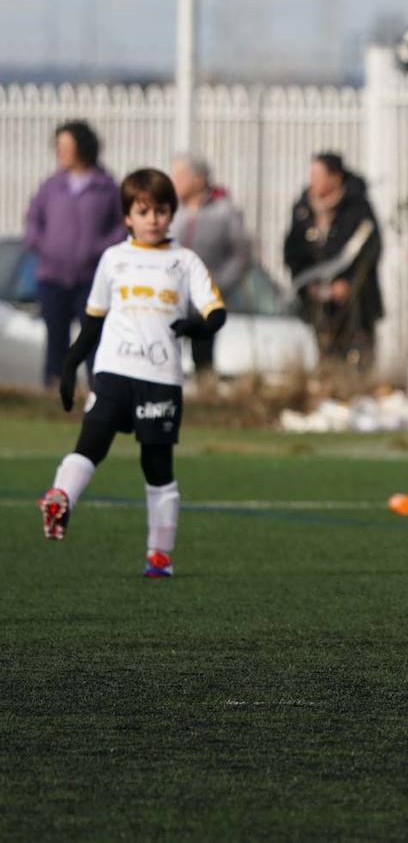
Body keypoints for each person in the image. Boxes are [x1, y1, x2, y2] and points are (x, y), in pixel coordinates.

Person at [37, 168, 226, 578]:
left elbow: (216, 311)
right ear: (127, 217)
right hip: (114, 371)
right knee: (91, 443)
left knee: (157, 466)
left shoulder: (184, 261)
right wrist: (70, 366)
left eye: (161, 210)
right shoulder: (114, 259)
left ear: (172, 213)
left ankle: (159, 556)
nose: (153, 218)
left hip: (160, 376)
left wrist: (198, 327)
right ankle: (59, 496)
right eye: (144, 211)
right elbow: (93, 322)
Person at [23, 120, 125, 387]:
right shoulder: (50, 186)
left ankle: (96, 393)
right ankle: (56, 391)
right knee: (56, 340)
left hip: (91, 279)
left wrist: (98, 250)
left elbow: (121, 227)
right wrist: (44, 246)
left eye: (66, 147)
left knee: (93, 340)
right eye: (58, 147)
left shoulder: (106, 187)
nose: (61, 152)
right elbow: (33, 221)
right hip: (53, 277)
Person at [283, 153, 383, 368]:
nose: (313, 181)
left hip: (355, 305)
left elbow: (369, 251)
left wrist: (347, 283)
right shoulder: (303, 210)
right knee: (323, 357)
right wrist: (308, 284)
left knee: (356, 360)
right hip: (316, 304)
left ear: (335, 178)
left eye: (318, 175)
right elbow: (292, 251)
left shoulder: (358, 209)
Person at [169, 154, 252, 375]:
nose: (174, 180)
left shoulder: (224, 211)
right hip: (171, 295)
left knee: (203, 357)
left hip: (205, 298)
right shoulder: (169, 211)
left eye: (180, 175)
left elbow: (242, 254)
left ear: (198, 179)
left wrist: (219, 283)